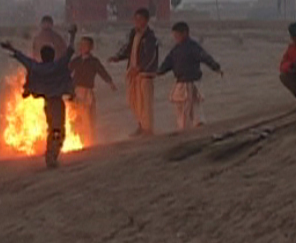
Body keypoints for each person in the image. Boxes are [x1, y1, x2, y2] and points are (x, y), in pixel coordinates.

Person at [2, 25, 78, 168]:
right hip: (57, 102)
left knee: (52, 128)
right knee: (58, 130)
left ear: (42, 57)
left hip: (47, 103)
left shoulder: (37, 67)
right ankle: (51, 156)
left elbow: (24, 59)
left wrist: (11, 48)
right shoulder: (58, 66)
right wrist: (73, 35)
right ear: (53, 56)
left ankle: (51, 153)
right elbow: (70, 51)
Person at [155, 22, 223, 131]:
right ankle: (185, 127)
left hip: (191, 82)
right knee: (180, 106)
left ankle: (192, 127)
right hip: (180, 82)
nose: (175, 38)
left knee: (191, 106)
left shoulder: (193, 47)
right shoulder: (175, 50)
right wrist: (158, 72)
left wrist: (216, 67)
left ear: (185, 33)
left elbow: (205, 57)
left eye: (177, 35)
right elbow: (167, 63)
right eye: (174, 35)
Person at [109, 8, 159, 137]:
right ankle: (141, 125)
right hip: (133, 73)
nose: (137, 22)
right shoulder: (134, 34)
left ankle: (148, 129)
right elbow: (128, 48)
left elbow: (151, 56)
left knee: (145, 102)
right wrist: (117, 57)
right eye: (135, 19)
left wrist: (140, 68)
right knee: (134, 101)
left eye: (140, 19)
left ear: (146, 20)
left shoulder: (150, 37)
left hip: (145, 74)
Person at [69, 36, 117, 143]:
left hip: (87, 92)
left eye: (85, 45)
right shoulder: (76, 61)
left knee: (89, 117)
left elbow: (102, 72)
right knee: (76, 117)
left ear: (91, 47)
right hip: (76, 91)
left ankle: (90, 140)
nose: (82, 47)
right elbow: (66, 73)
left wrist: (110, 82)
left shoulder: (94, 61)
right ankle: (78, 138)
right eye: (81, 44)